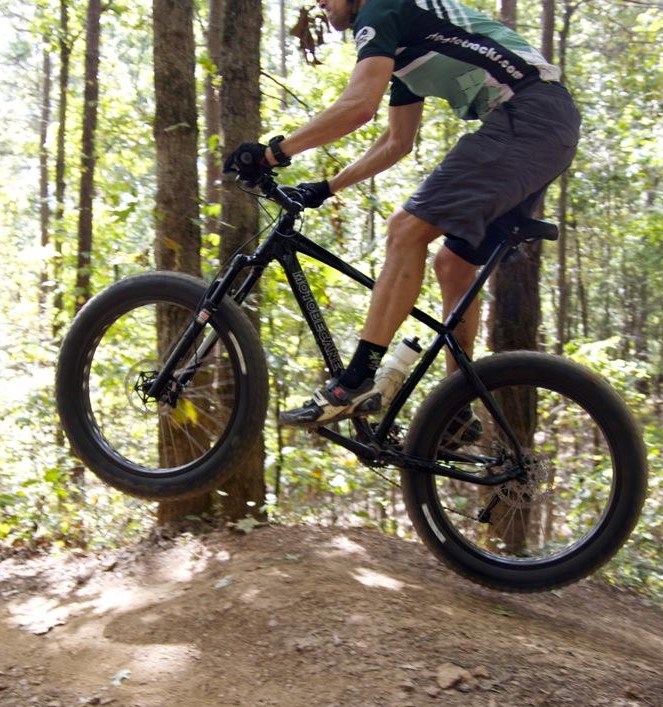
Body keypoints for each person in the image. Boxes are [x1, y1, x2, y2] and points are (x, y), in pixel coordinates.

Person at [223, 0, 580, 434]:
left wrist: (272, 153)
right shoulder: (406, 40)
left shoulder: (383, 9)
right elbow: (397, 141)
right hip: (548, 128)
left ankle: (355, 381)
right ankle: (457, 406)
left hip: (528, 117)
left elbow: (358, 106)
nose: (318, 2)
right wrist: (326, 187)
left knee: (405, 230)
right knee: (453, 266)